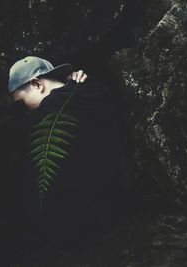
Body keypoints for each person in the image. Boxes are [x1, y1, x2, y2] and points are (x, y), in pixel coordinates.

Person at [7, 56, 123, 254]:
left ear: (37, 84)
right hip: (115, 208)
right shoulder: (96, 92)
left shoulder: (42, 117)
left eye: (20, 103)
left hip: (75, 233)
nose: (23, 111)